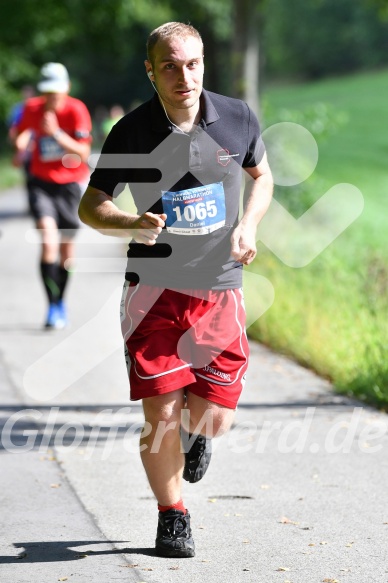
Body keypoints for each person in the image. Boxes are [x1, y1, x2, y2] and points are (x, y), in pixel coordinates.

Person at [78, 22, 273, 558]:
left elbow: (264, 176)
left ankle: (198, 434)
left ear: (203, 63)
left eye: (191, 64)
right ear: (151, 70)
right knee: (159, 414)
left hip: (219, 287)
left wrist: (248, 225)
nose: (182, 75)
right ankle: (173, 516)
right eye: (169, 65)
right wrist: (128, 223)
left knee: (212, 416)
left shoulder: (236, 117)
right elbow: (91, 205)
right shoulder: (132, 132)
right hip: (153, 289)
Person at [15, 63, 92, 329]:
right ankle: (52, 306)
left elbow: (83, 153)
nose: (51, 98)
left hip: (69, 185)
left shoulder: (75, 110)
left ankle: (61, 301)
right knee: (48, 241)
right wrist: (20, 142)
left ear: (66, 89)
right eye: (47, 92)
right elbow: (20, 133)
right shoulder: (32, 108)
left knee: (66, 252)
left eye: (56, 93)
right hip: (41, 183)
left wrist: (56, 133)